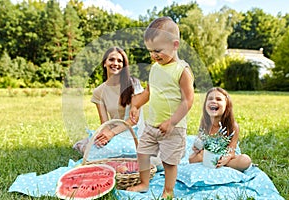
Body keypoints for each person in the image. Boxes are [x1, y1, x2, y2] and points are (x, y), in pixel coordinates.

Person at [126, 17, 195, 199]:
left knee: (169, 161)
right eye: (150, 51)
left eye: (157, 50)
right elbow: (149, 92)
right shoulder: (155, 68)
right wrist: (136, 104)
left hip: (173, 128)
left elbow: (188, 100)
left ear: (175, 45)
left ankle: (168, 191)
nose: (153, 55)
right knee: (142, 152)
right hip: (152, 124)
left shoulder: (182, 70)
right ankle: (144, 183)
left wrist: (172, 122)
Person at [73, 46, 144, 154]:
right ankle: (83, 146)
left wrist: (111, 134)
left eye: (120, 61)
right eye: (111, 59)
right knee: (101, 147)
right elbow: (105, 123)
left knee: (130, 151)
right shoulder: (99, 91)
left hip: (134, 132)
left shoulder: (134, 85)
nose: (115, 63)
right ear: (104, 63)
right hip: (113, 132)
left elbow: (134, 120)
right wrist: (105, 135)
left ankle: (87, 145)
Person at [189, 87, 252, 172]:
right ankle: (213, 164)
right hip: (208, 154)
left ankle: (219, 164)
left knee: (245, 161)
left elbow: (232, 149)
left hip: (225, 155)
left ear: (227, 105)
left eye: (218, 99)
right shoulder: (205, 123)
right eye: (210, 99)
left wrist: (225, 159)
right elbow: (200, 141)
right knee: (192, 159)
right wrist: (197, 148)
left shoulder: (233, 126)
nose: (213, 101)